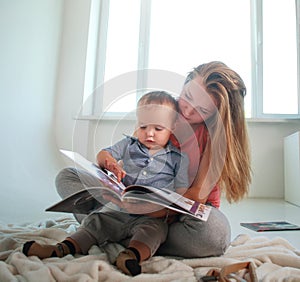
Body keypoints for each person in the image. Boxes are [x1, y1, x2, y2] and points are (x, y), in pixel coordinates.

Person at [22, 91, 190, 276]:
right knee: (96, 221)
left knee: (154, 232)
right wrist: (109, 163)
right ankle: (60, 249)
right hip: (118, 209)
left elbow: (181, 193)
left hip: (151, 216)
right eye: (143, 126)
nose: (149, 133)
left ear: (173, 126)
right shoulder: (129, 144)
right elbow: (103, 154)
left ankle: (130, 256)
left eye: (158, 129)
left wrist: (162, 208)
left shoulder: (179, 158)